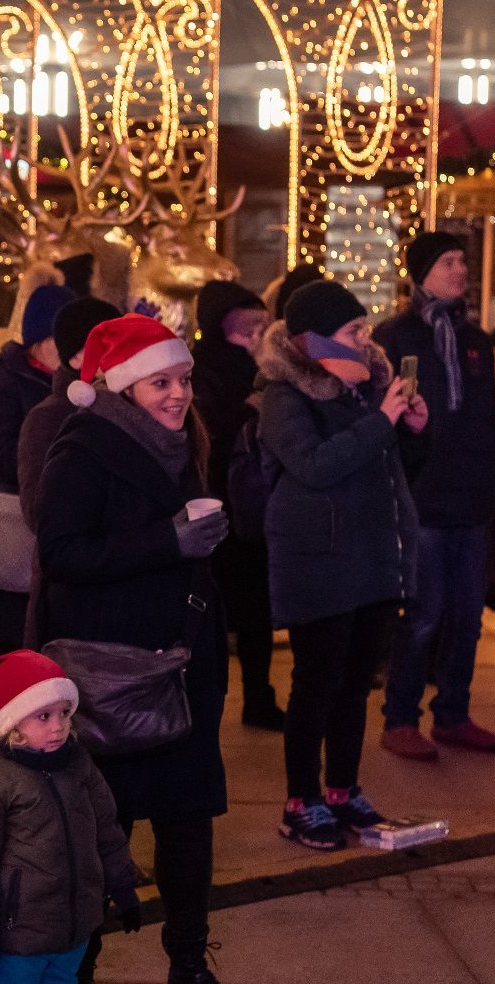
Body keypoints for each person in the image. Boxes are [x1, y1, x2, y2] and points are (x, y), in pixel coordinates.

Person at [35, 315, 242, 984]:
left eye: (182, 380)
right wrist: (169, 541)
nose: (179, 394)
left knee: (187, 827)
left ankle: (188, 969)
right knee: (102, 837)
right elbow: (60, 555)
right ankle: (77, 982)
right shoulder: (85, 448)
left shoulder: (182, 445)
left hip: (180, 667)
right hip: (112, 676)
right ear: (123, 386)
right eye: (162, 382)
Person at [258, 281, 427, 851]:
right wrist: (382, 420)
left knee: (356, 684)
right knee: (317, 684)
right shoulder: (284, 395)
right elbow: (314, 464)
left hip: (371, 555)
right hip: (318, 559)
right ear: (315, 340)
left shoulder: (363, 389)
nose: (366, 340)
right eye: (353, 332)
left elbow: (393, 466)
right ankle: (299, 799)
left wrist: (412, 430)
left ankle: (342, 789)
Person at [374, 232, 495, 758]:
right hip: (422, 498)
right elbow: (390, 416)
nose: (460, 270)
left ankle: (453, 713)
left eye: (462, 260)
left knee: (466, 615)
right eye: (448, 262)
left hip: (471, 497)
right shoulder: (396, 337)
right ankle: (401, 717)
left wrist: (493, 481)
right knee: (424, 613)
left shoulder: (475, 341)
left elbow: (483, 419)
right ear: (420, 271)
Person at [0, 652, 141, 984]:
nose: (58, 726)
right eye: (43, 716)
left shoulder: (77, 762)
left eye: (64, 713)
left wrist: (123, 886)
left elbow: (107, 832)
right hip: (15, 937)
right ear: (13, 722)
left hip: (73, 931)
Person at [191, 281, 286, 730]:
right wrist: (246, 411)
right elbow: (204, 432)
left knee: (256, 615)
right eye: (244, 331)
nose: (253, 340)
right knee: (212, 613)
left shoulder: (266, 371)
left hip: (252, 505)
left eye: (259, 329)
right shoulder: (199, 370)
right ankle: (205, 703)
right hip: (214, 505)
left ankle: (259, 696)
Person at [0, 282, 76, 651]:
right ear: (42, 340)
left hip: (61, 541)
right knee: (18, 659)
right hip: (15, 534)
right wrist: (61, 466)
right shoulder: (2, 381)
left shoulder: (76, 385)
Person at [17, 296, 122, 645]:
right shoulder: (48, 419)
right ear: (78, 357)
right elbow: (38, 511)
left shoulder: (130, 409)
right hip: (69, 599)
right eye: (112, 345)